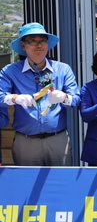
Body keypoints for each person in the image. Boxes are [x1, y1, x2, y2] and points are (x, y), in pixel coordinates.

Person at [0, 22, 80, 166]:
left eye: (42, 40)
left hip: (58, 140)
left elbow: (76, 99)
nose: (39, 45)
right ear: (23, 46)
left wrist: (65, 97)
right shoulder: (10, 71)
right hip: (25, 142)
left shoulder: (63, 69)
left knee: (61, 183)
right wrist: (15, 98)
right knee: (27, 184)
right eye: (33, 41)